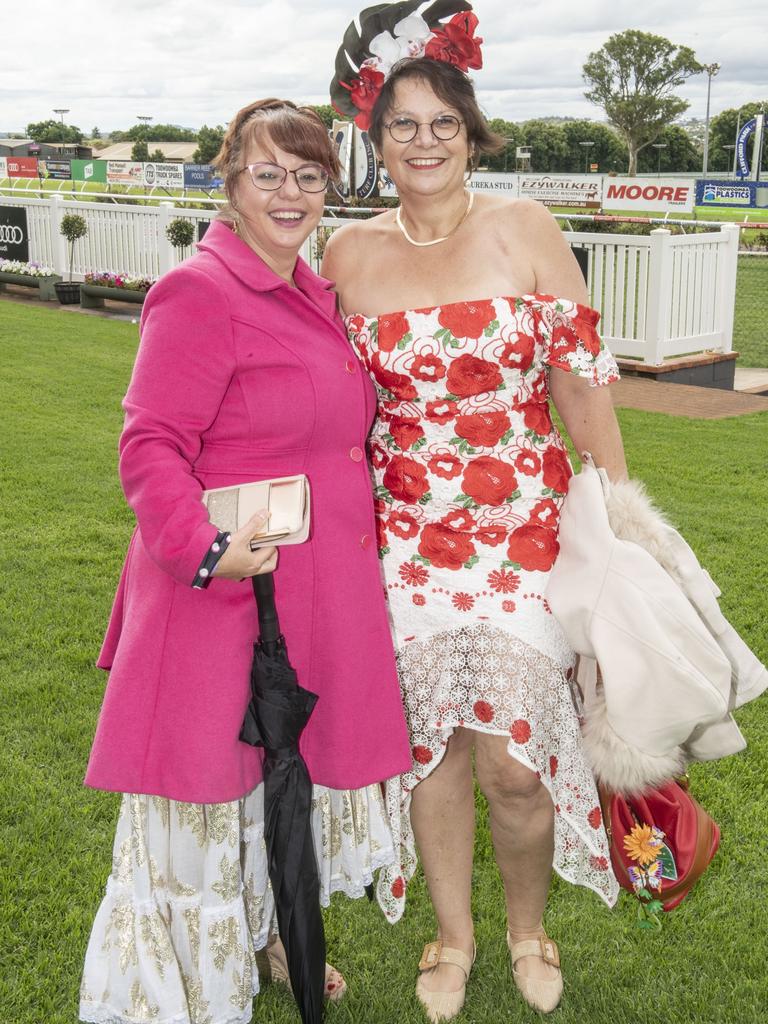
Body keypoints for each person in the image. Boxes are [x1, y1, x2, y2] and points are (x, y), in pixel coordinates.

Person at [79, 98, 411, 1024]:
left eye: (309, 175)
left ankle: (265, 932)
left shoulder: (310, 290)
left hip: (305, 592)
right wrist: (207, 550)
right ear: (229, 182)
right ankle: (179, 981)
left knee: (274, 783)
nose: (290, 192)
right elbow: (149, 446)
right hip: (222, 592)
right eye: (268, 172)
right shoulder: (201, 290)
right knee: (207, 791)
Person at [323, 26, 628, 1021]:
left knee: (515, 758)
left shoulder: (524, 228)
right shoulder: (347, 251)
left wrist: (615, 508)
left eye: (442, 124)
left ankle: (527, 927)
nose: (423, 141)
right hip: (405, 536)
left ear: (471, 133)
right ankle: (452, 938)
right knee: (438, 747)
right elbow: (320, 395)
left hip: (526, 533)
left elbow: (578, 378)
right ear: (377, 138)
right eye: (403, 125)